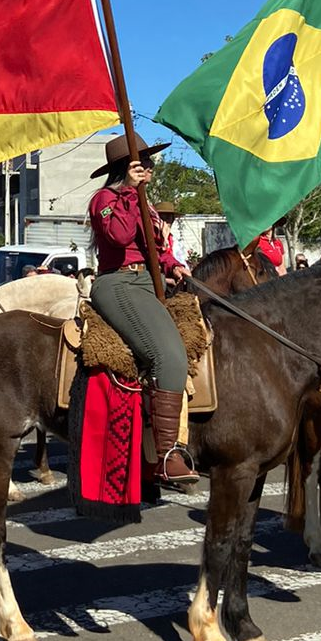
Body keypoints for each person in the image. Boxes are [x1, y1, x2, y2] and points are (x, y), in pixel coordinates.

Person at [87, 134, 197, 484]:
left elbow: (155, 248)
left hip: (150, 282)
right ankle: (167, 456)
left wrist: (173, 264)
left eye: (148, 162)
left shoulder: (145, 203)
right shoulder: (105, 199)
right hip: (118, 283)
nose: (150, 167)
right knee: (170, 357)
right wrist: (131, 194)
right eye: (144, 162)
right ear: (128, 167)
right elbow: (119, 237)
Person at [154, 200, 191, 283]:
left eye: (169, 218)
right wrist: (166, 280)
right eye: (162, 217)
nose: (166, 221)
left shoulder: (175, 242)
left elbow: (181, 262)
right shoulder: (149, 240)